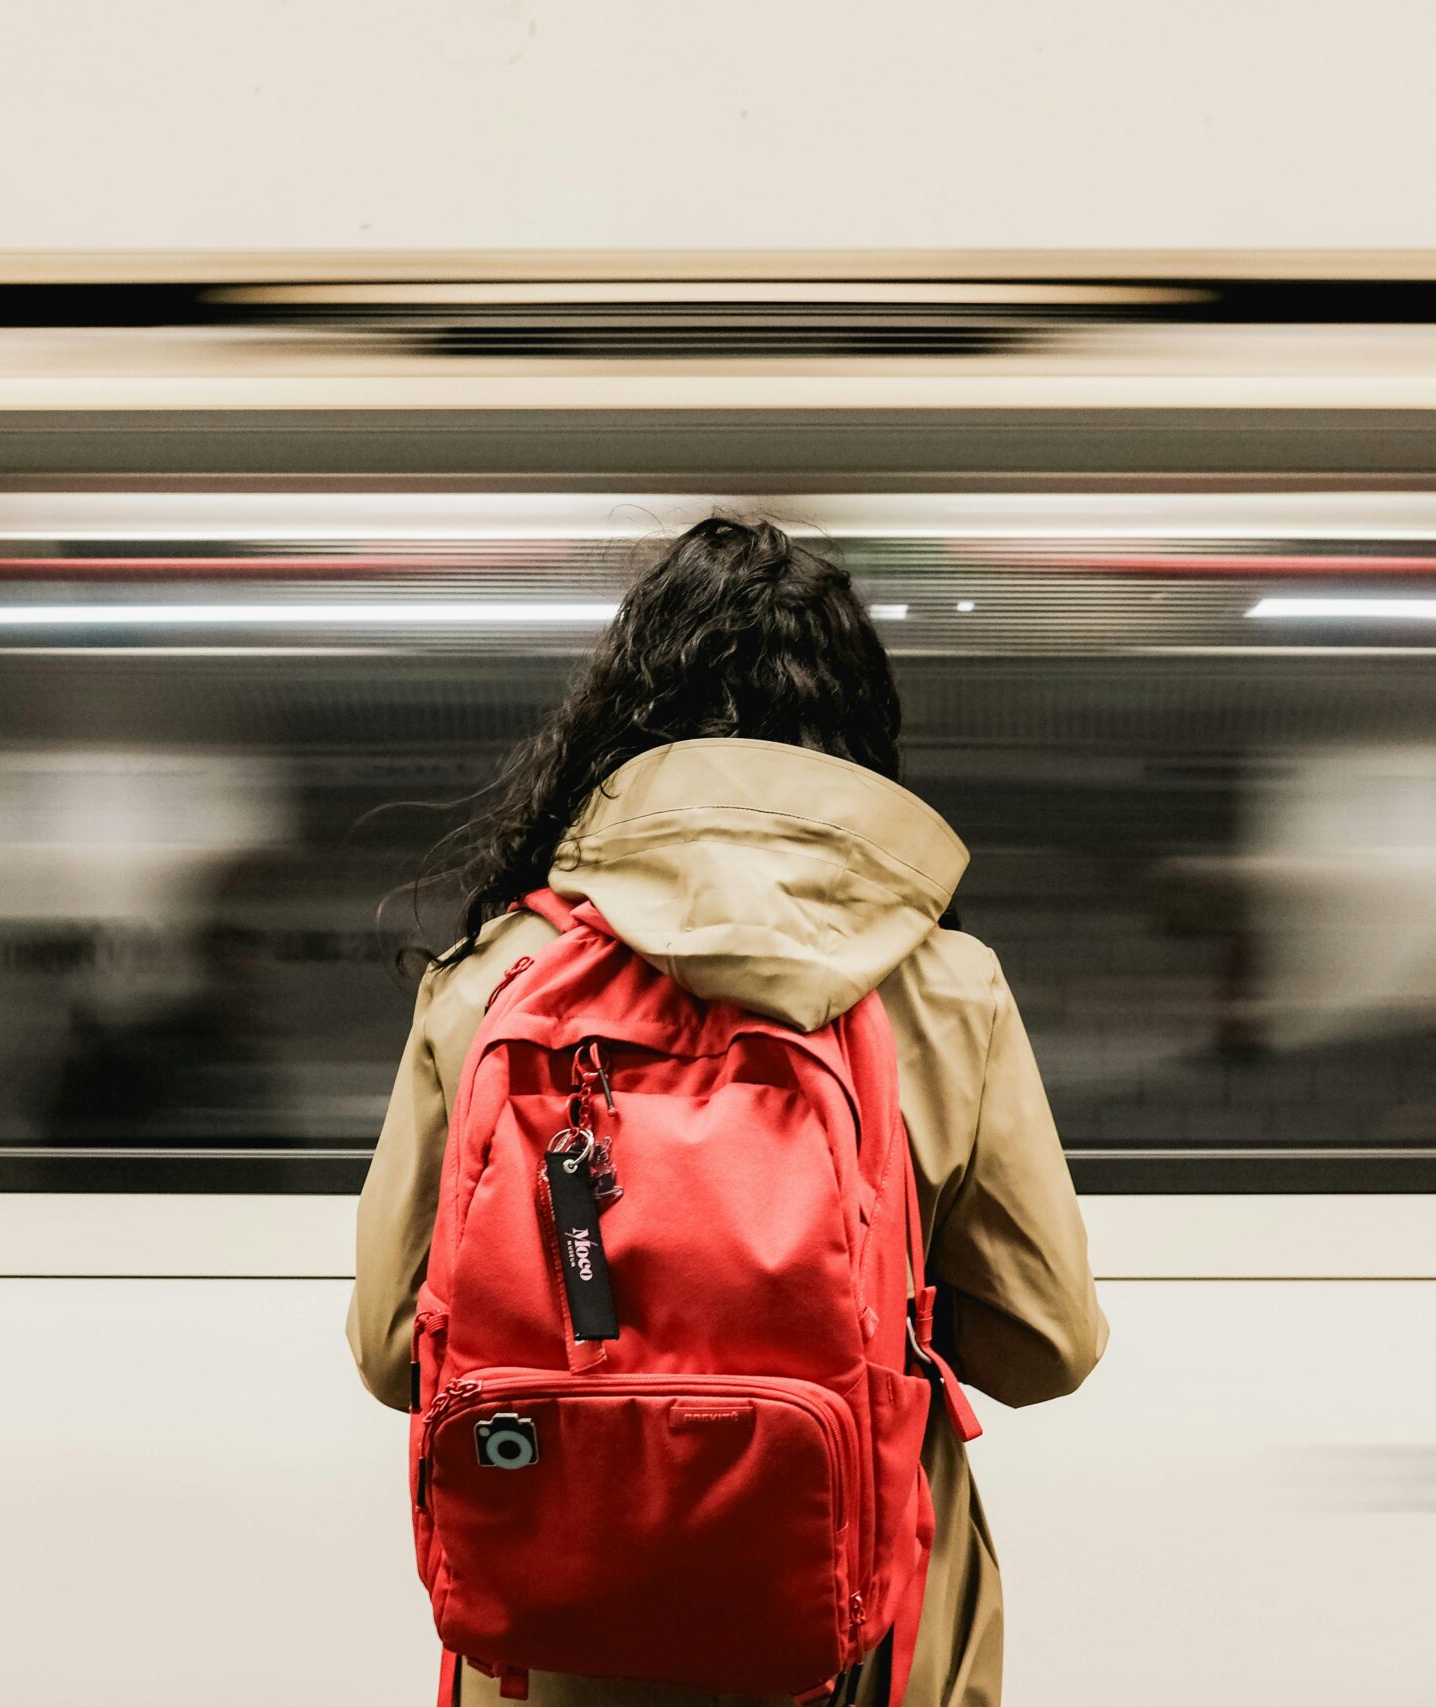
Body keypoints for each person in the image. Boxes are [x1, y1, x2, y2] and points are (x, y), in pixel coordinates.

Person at [347, 516, 1108, 1707]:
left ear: (618, 721)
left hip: (561, 1647)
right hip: (863, 1643)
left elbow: (398, 1354)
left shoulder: (491, 979)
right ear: (851, 732)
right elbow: (1047, 1346)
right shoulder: (945, 987)